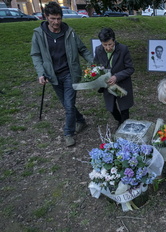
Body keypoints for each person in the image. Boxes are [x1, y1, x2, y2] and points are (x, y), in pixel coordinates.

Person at [30, 1, 93, 147]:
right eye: (52, 18)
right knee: (66, 104)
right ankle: (81, 120)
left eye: (58, 18)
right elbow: (36, 55)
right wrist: (41, 73)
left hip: (70, 73)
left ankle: (68, 133)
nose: (56, 22)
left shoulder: (69, 32)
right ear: (46, 17)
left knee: (69, 105)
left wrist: (92, 62)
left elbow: (82, 49)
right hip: (52, 75)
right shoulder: (39, 34)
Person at [93, 28, 135, 126]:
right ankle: (120, 121)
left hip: (122, 83)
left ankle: (123, 126)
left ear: (114, 40)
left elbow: (130, 69)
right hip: (108, 85)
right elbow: (95, 66)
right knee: (111, 108)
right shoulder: (98, 50)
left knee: (124, 108)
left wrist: (117, 77)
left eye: (110, 44)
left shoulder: (123, 49)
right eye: (105, 45)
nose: (107, 48)